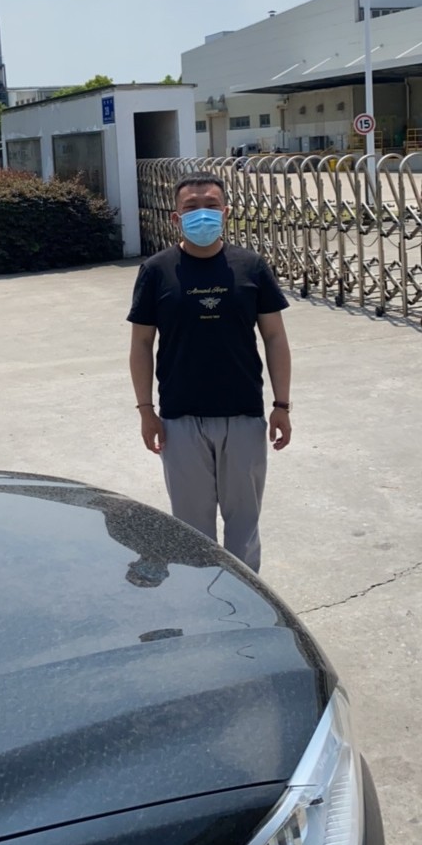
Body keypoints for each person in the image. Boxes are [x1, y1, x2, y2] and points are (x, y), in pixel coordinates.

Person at [127, 172, 292, 574]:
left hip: (243, 416)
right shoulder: (157, 270)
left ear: (226, 212)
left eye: (211, 206)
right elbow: (142, 344)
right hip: (180, 419)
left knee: (244, 529)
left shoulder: (251, 267)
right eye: (191, 207)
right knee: (191, 531)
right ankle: (198, 602)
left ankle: (243, 600)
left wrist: (282, 405)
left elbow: (274, 337)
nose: (202, 213)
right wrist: (146, 410)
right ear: (175, 218)